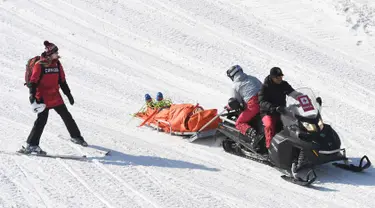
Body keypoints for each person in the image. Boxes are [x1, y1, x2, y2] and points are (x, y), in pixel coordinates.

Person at [19, 41, 87, 155]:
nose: (57, 54)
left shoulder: (57, 64)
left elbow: (62, 80)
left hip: (55, 96)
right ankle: (31, 145)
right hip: (43, 98)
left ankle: (76, 137)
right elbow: (33, 82)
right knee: (41, 121)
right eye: (55, 52)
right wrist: (32, 96)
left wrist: (68, 94)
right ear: (50, 53)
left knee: (67, 116)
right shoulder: (39, 65)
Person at [258, 67, 303, 149]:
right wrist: (273, 107)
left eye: (281, 77)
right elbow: (261, 102)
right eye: (277, 77)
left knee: (296, 122)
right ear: (272, 77)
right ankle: (269, 147)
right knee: (269, 125)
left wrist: (303, 98)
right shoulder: (265, 87)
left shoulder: (283, 84)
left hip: (282, 111)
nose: (280, 79)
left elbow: (293, 93)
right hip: (268, 112)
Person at [226, 65, 263, 140]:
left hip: (254, 106)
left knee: (239, 123)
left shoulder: (235, 85)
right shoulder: (252, 78)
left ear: (232, 76)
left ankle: (253, 134)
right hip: (266, 102)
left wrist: (228, 106)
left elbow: (236, 101)